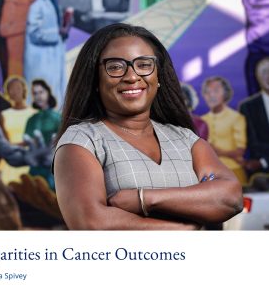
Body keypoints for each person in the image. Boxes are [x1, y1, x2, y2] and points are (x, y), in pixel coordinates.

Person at [53, 23, 243, 230]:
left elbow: (230, 198)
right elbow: (91, 223)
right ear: (95, 80)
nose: (132, 76)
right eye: (115, 67)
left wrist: (143, 198)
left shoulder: (185, 140)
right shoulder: (82, 141)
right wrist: (183, 230)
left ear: (158, 76)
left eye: (144, 65)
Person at [24, 0, 67, 106]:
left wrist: (65, 30)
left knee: (57, 90)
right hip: (42, 60)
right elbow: (34, 34)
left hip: (54, 56)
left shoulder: (53, 1)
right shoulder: (37, 6)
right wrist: (57, 34)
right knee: (45, 93)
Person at [201, 77, 248, 185]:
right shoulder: (202, 120)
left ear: (226, 94)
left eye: (216, 91)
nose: (211, 95)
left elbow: (240, 151)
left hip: (233, 171)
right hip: (209, 175)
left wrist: (213, 150)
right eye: (207, 92)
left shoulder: (236, 118)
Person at [0, 76, 37, 183]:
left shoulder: (34, 114)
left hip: (29, 160)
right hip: (10, 160)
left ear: (24, 90)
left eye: (18, 88)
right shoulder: (4, 114)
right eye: (11, 89)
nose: (15, 92)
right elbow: (4, 141)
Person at [25, 79, 61, 189]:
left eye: (41, 92)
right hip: (35, 167)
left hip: (52, 167)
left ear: (48, 93)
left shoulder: (57, 118)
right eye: (35, 93)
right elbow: (28, 143)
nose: (38, 96)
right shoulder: (31, 120)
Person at [0, 0, 34, 76]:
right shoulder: (11, 1)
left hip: (30, 48)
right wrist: (26, 25)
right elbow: (4, 29)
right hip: (16, 52)